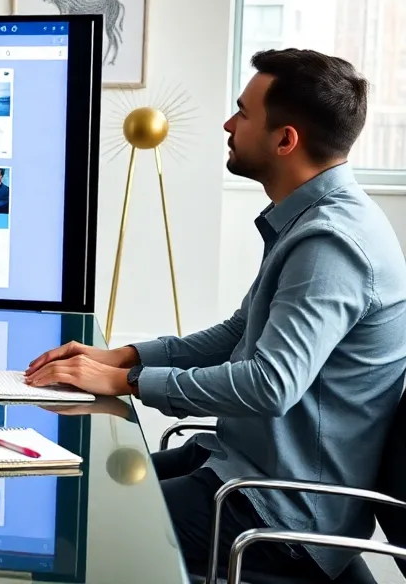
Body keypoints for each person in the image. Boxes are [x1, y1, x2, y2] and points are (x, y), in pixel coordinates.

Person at [25, 49, 404, 582]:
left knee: (74, 525)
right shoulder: (312, 221)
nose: (228, 124)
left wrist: (126, 381)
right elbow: (237, 333)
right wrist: (122, 357)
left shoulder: (331, 244)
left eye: (243, 113)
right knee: (71, 489)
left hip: (280, 512)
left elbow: (270, 385)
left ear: (285, 139)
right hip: (239, 465)